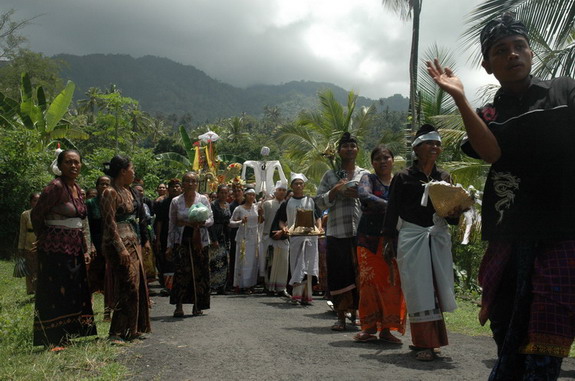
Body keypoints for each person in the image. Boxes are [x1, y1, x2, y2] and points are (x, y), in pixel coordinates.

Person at [427, 13, 575, 379]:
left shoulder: (564, 91)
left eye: (519, 47)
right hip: (509, 236)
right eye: (500, 50)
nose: (513, 55)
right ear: (487, 65)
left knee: (546, 336)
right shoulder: (488, 114)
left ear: (531, 53)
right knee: (506, 327)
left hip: (562, 232)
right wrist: (459, 98)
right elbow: (491, 153)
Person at [382, 125, 460, 361]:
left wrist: (459, 207)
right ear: (417, 148)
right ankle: (424, 342)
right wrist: (388, 240)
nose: (435, 147)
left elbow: (452, 216)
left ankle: (431, 341)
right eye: (429, 143)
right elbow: (392, 209)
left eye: (437, 143)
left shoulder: (444, 177)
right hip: (411, 237)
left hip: (437, 238)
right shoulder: (404, 177)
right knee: (418, 289)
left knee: (435, 287)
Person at [31, 149, 97, 349]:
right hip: (55, 249)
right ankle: (52, 338)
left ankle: (68, 334)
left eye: (77, 162)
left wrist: (85, 247)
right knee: (54, 292)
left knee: (72, 291)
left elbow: (80, 221)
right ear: (59, 166)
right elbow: (37, 214)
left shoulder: (76, 187)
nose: (73, 166)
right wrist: (45, 237)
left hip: (74, 247)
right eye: (68, 162)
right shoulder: (55, 187)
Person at [315, 132, 369, 331]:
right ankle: (340, 316)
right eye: (345, 146)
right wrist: (335, 191)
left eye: (352, 146)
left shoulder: (364, 174)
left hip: (360, 231)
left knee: (360, 274)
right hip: (336, 232)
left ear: (357, 150)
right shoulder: (330, 175)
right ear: (339, 151)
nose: (349, 149)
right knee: (339, 274)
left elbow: (372, 199)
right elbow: (318, 202)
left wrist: (361, 195)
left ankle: (356, 314)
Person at [354, 145, 406, 343]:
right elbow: (365, 196)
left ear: (393, 160)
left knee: (393, 284)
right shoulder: (368, 179)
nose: (383, 161)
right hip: (368, 239)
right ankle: (368, 328)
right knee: (369, 283)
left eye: (386, 157)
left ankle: (387, 329)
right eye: (378, 158)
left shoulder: (399, 181)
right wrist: (393, 208)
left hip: (394, 240)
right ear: (372, 163)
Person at [100, 155, 151, 343]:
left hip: (133, 240)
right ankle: (115, 332)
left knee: (137, 285)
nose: (134, 173)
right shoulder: (109, 192)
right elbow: (109, 223)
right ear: (123, 171)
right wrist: (120, 247)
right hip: (118, 244)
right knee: (127, 284)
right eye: (132, 169)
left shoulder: (128, 190)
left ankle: (132, 328)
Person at [167, 172, 213, 317]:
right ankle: (179, 305)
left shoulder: (203, 199)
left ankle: (197, 305)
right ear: (183, 183)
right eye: (187, 181)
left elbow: (211, 219)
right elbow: (172, 223)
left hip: (200, 240)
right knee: (181, 273)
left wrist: (201, 223)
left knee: (199, 272)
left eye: (193, 181)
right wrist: (169, 245)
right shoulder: (176, 201)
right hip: (182, 240)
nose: (190, 184)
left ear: (197, 183)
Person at [276, 173, 321, 305]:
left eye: (301, 183)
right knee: (296, 265)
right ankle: (296, 295)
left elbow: (317, 217)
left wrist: (319, 228)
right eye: (296, 184)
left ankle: (307, 296)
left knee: (308, 265)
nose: (299, 186)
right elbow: (281, 220)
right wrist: (284, 228)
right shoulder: (287, 203)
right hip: (295, 238)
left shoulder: (311, 201)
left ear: (304, 185)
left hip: (310, 237)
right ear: (292, 186)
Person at [86, 175, 112, 320]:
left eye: (107, 184)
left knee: (109, 280)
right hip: (95, 245)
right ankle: (88, 312)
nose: (104, 186)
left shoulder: (113, 202)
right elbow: (87, 226)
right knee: (92, 280)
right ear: (97, 186)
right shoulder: (90, 203)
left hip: (109, 245)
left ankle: (107, 311)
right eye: (101, 184)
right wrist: (90, 246)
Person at [259, 181, 289, 294]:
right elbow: (262, 221)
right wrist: (260, 213)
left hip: (283, 237)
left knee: (283, 262)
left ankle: (281, 288)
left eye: (284, 190)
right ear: (275, 191)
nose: (281, 192)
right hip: (269, 237)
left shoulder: (288, 204)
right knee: (269, 262)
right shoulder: (268, 204)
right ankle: (268, 286)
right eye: (279, 190)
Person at [154, 178, 182, 292]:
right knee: (167, 260)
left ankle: (180, 285)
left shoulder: (184, 201)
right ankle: (169, 286)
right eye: (172, 187)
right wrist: (158, 239)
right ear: (168, 189)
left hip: (181, 233)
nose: (175, 188)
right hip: (166, 233)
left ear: (181, 188)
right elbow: (159, 221)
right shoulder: (162, 203)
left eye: (177, 186)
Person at [229, 187, 259, 293]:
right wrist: (240, 222)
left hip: (254, 238)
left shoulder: (257, 207)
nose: (251, 197)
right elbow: (231, 223)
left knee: (253, 262)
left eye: (253, 195)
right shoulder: (239, 209)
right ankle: (242, 284)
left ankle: (251, 284)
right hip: (243, 238)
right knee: (243, 261)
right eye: (249, 194)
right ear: (245, 196)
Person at [208, 184, 231, 294]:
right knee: (214, 260)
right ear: (217, 193)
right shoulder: (213, 205)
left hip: (225, 235)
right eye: (221, 192)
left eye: (226, 193)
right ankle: (213, 285)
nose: (223, 195)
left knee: (224, 261)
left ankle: (222, 286)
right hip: (215, 233)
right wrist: (214, 239)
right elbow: (210, 223)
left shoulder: (227, 205)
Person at [133, 182, 156, 283]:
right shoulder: (132, 203)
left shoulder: (146, 204)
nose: (140, 192)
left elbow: (149, 219)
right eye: (137, 190)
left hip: (146, 232)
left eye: (141, 191)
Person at [17, 192, 40, 294]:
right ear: (31, 202)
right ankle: (30, 289)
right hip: (28, 244)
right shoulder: (25, 214)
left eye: (39, 200)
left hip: (40, 243)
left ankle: (38, 289)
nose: (37, 203)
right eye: (35, 200)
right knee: (29, 268)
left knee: (39, 268)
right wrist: (20, 247)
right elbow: (22, 232)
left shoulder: (44, 214)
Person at [227, 183, 244, 290]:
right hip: (234, 234)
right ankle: (233, 281)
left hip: (248, 234)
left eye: (239, 191)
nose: (237, 193)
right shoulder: (231, 206)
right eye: (235, 191)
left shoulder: (248, 204)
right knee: (234, 257)